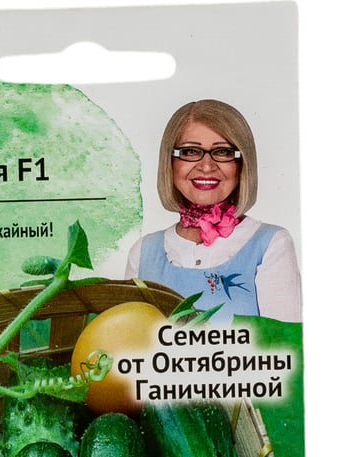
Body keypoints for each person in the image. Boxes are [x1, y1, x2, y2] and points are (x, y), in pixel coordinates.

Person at [126, 99, 302, 324]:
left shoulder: (270, 245)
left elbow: (284, 344)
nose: (207, 166)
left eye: (223, 152)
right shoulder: (143, 252)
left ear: (242, 164)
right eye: (190, 151)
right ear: (170, 162)